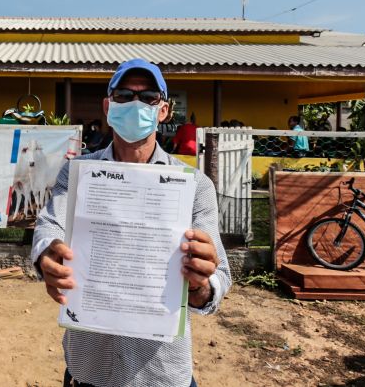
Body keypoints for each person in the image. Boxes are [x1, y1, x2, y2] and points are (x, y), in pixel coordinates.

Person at [32, 58, 231, 387]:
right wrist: (46, 254)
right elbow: (51, 225)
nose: (135, 104)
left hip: (160, 372)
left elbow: (218, 275)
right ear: (108, 107)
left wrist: (201, 285)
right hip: (89, 367)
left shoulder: (194, 185)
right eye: (124, 95)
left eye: (148, 97)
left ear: (163, 110)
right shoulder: (79, 173)